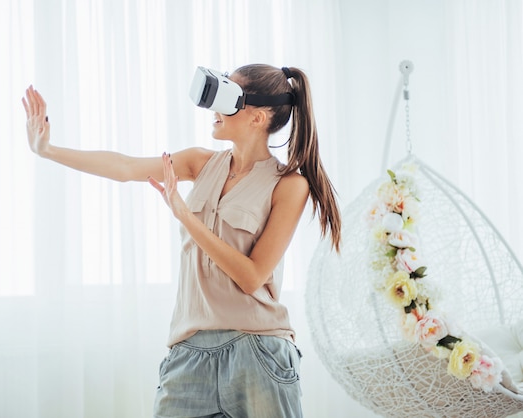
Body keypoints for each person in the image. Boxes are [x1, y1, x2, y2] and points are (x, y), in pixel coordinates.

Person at [22, 63, 341, 418]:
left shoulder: (289, 185)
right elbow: (126, 168)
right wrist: (47, 150)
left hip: (257, 351)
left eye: (227, 97)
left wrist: (186, 217)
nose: (213, 110)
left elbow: (252, 276)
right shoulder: (199, 163)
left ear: (258, 117)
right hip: (188, 352)